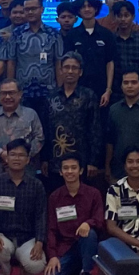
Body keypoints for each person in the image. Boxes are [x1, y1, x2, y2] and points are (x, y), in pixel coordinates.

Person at [0, 138, 50, 275]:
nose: (16, 158)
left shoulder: (36, 185)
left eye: (21, 155)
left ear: (28, 160)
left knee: (36, 265)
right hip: (3, 235)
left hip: (27, 238)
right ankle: (5, 269)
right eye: (13, 155)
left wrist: (39, 242)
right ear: (6, 158)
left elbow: (41, 216)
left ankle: (24, 267)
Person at [45, 153, 103, 275]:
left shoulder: (93, 193)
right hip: (65, 248)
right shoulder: (55, 197)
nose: (69, 171)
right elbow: (51, 229)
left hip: (86, 245)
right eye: (66, 168)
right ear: (60, 172)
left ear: (81, 171)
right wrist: (52, 256)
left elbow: (100, 220)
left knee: (89, 234)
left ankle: (86, 272)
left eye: (73, 168)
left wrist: (88, 223)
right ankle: (76, 268)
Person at [45, 53, 100, 186]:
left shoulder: (89, 96)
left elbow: (95, 129)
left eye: (74, 68)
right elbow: (46, 130)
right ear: (60, 70)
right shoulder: (50, 97)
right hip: (55, 161)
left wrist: (93, 161)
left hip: (82, 162)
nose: (70, 71)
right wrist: (44, 159)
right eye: (66, 67)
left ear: (80, 72)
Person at [9, 0, 63, 124]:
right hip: (23, 92)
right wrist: (11, 90)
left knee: (49, 128)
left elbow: (58, 63)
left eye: (33, 8)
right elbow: (11, 62)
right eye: (27, 9)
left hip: (48, 91)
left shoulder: (53, 34)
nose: (30, 12)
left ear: (42, 9)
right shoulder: (17, 34)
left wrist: (60, 90)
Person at [0, 79, 44, 179]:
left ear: (20, 94)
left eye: (11, 93)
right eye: (3, 93)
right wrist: (1, 153)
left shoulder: (31, 114)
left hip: (26, 170)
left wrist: (20, 156)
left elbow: (39, 139)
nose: (7, 97)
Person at [62, 0, 118, 103]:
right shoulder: (72, 35)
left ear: (96, 9)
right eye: (83, 7)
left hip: (101, 89)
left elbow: (110, 62)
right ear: (78, 10)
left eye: (90, 6)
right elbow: (67, 63)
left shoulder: (106, 34)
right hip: (78, 88)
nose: (87, 9)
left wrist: (108, 90)